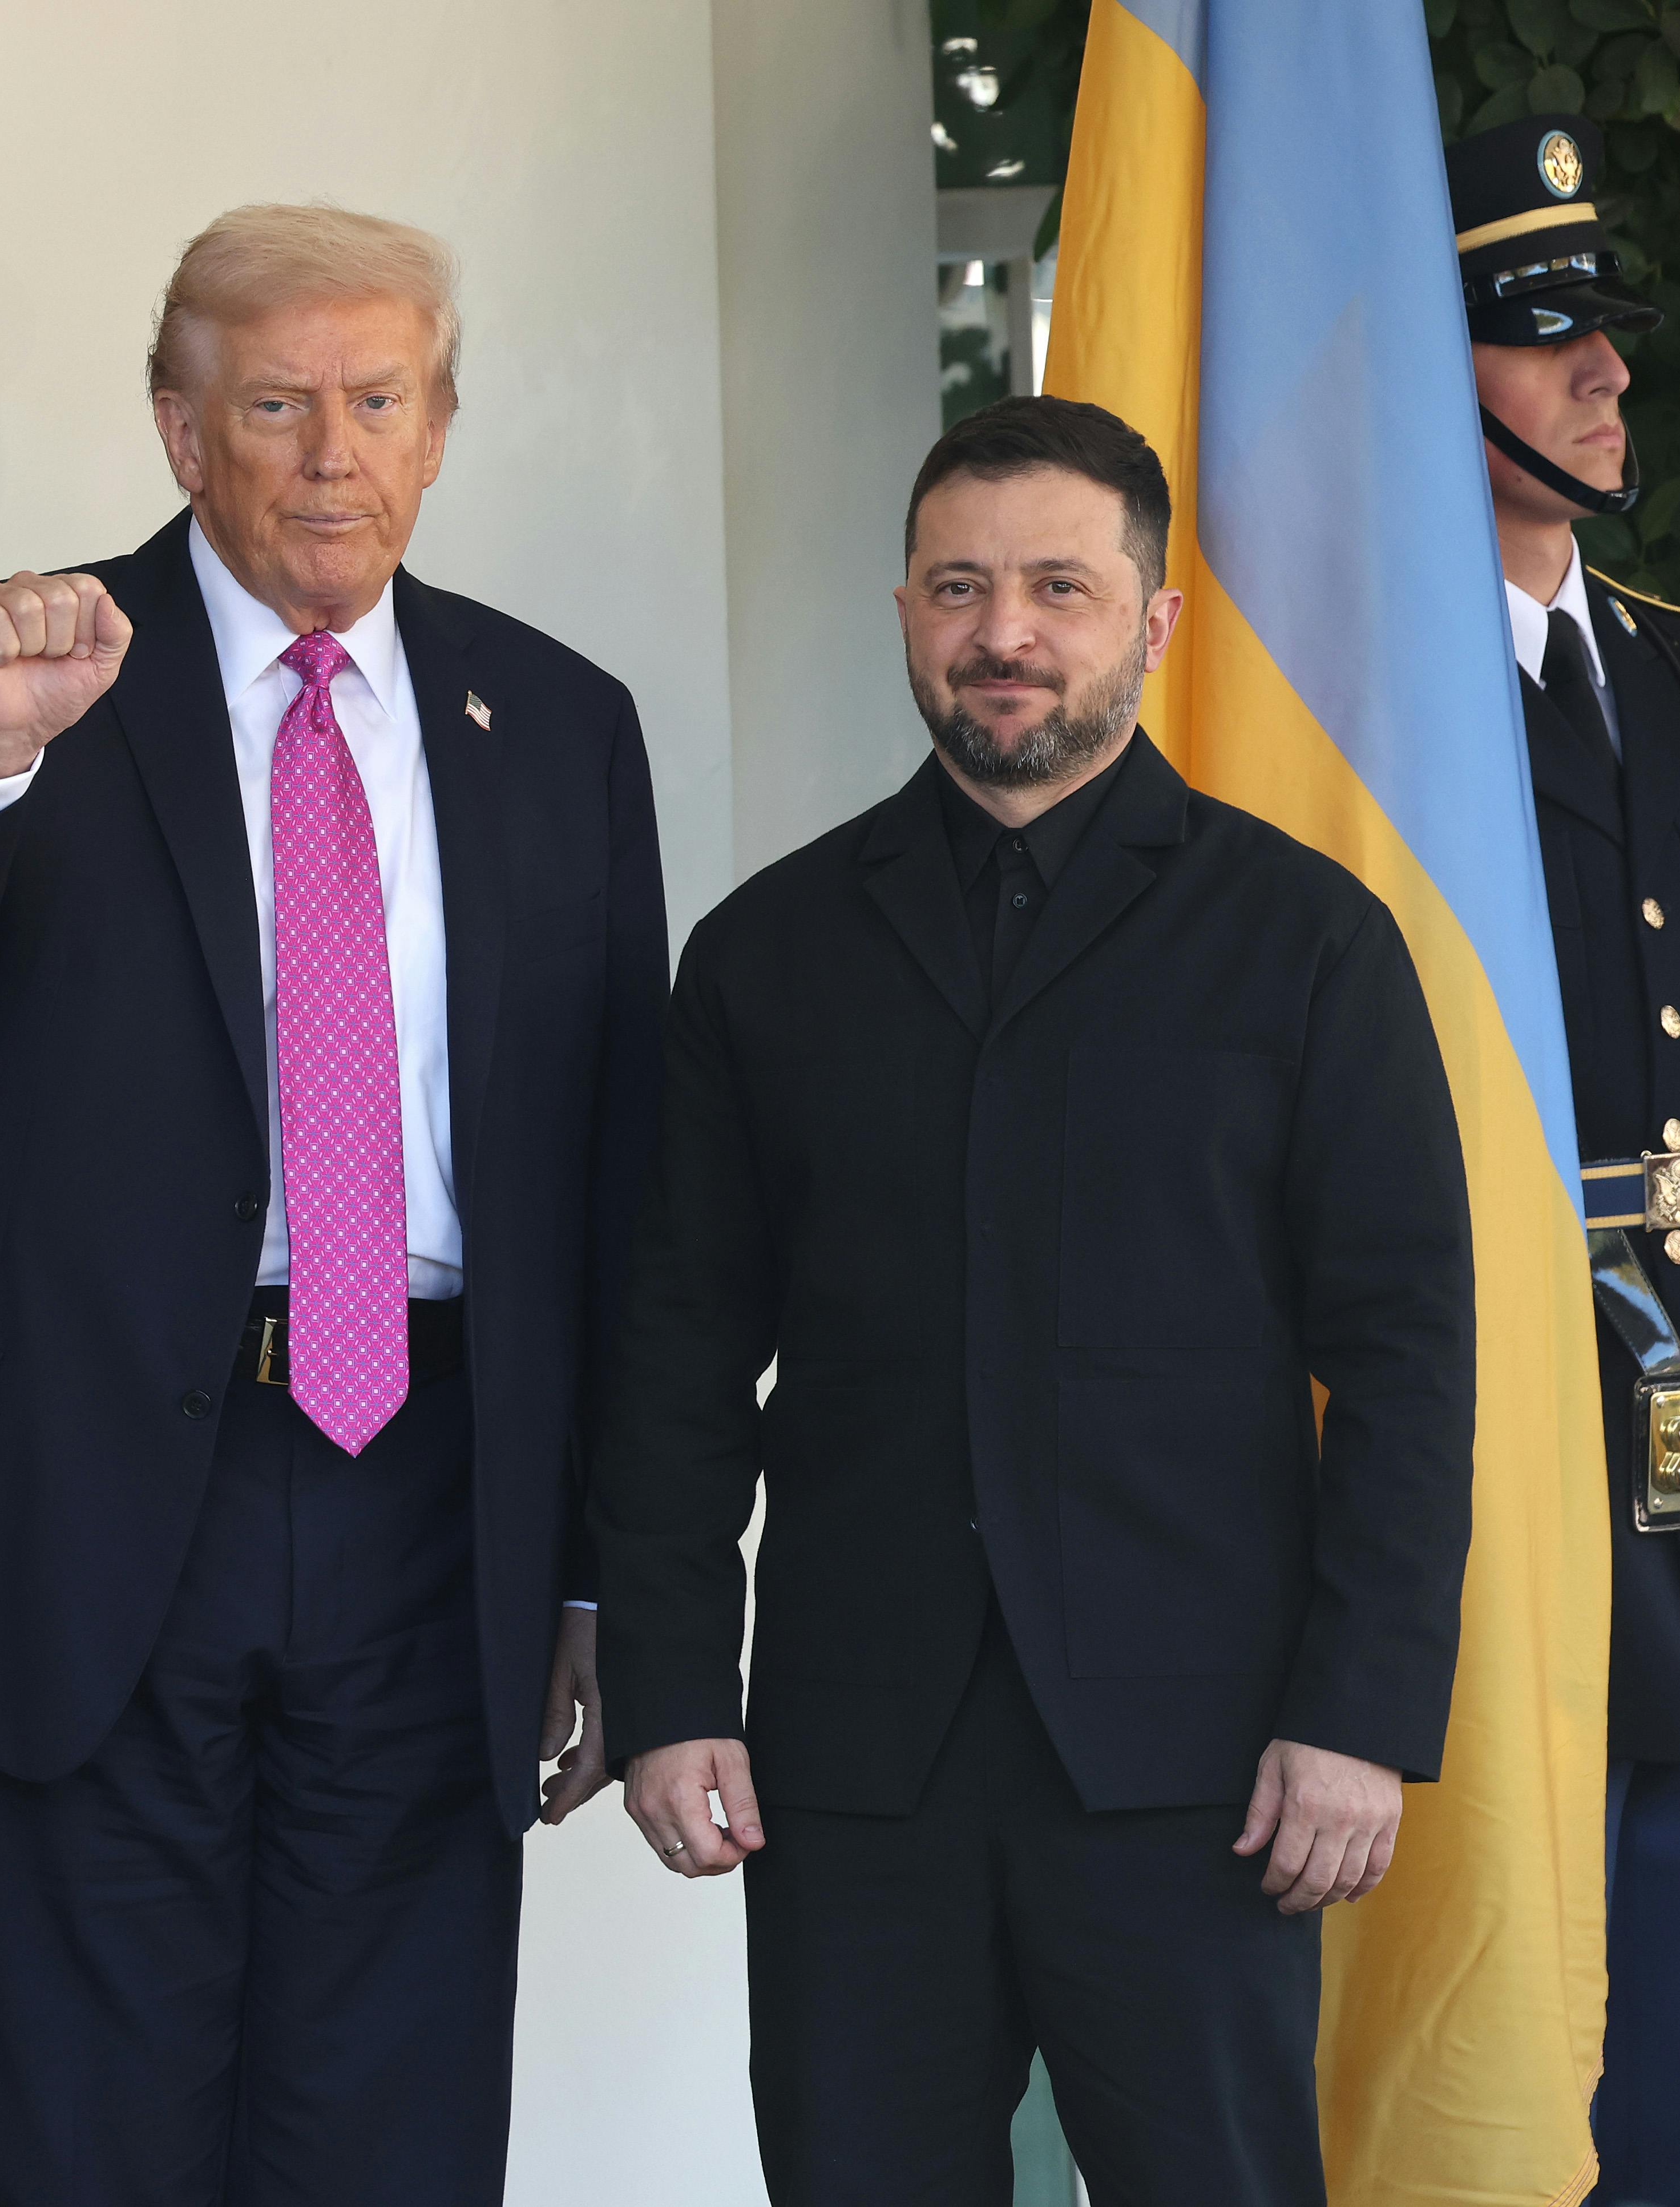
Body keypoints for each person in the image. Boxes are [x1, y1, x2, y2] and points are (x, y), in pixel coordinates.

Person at [0, 204, 668, 2202]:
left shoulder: (558, 723)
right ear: (178, 431)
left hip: (431, 1493)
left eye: (378, 400)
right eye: (273, 402)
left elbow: (611, 1173)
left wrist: (594, 1567)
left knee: (389, 2129)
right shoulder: (12, 661)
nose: (332, 450)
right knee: (96, 2128)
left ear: (437, 431)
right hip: (81, 1494)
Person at [588, 394, 1475, 2205]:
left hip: (1203, 1766)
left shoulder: (1305, 942)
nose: (1004, 632)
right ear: (904, 609)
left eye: (1058, 587)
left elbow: (1404, 1352)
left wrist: (1362, 1706)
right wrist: (673, 1682)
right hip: (851, 1766)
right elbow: (678, 1346)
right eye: (959, 586)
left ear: (1149, 622)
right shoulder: (766, 950)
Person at [1451, 114, 1680, 2206]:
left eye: (1606, 335)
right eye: (1547, 337)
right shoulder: (1371, 711)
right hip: (1508, 1371)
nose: (1604, 376)